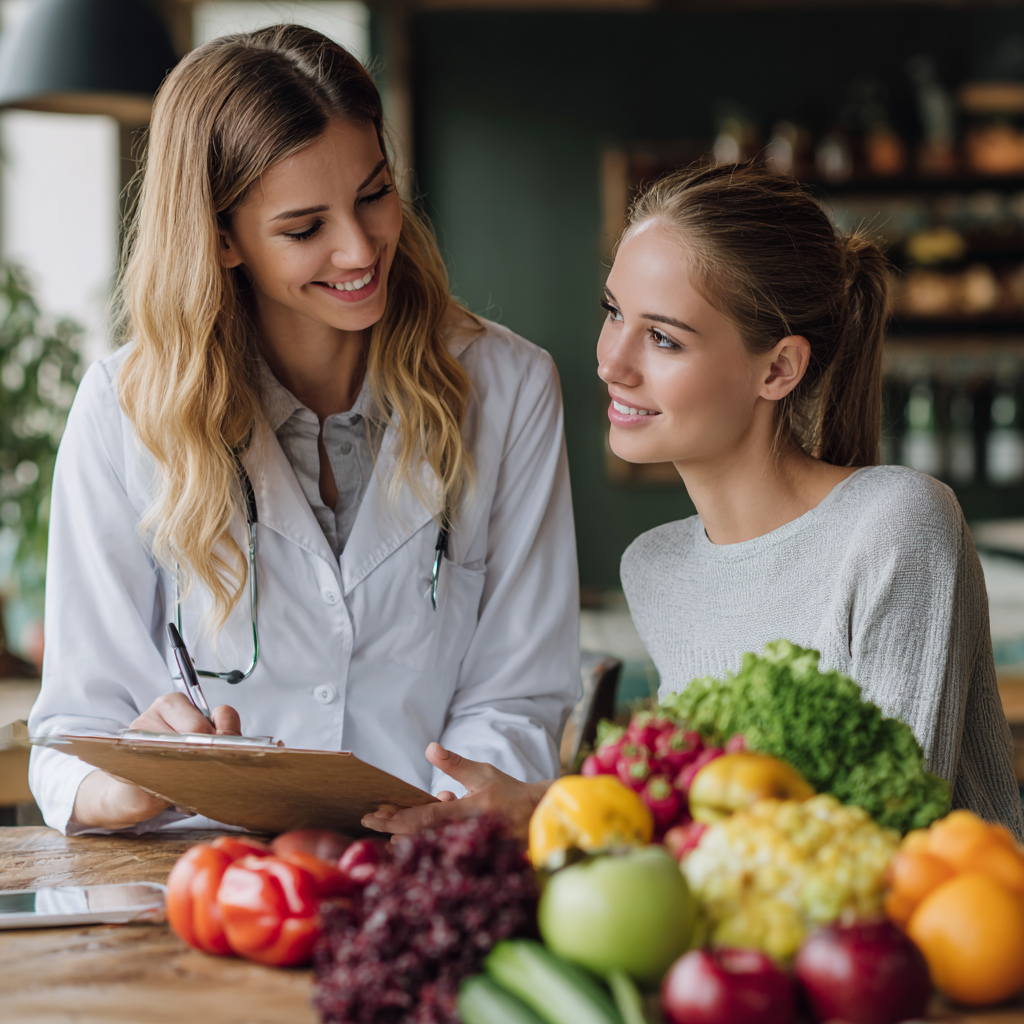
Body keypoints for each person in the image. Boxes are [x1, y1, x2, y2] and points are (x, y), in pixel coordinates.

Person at [28, 25, 579, 834]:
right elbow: (73, 733)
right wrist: (132, 782)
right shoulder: (124, 408)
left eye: (374, 195)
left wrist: (448, 820)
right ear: (221, 238)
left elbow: (518, 696)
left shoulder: (509, 387)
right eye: (304, 228)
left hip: (423, 865)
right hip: (205, 874)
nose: (359, 249)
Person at [365, 163, 1023, 839]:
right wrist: (547, 806)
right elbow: (707, 816)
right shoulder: (656, 567)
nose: (611, 362)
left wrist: (556, 805)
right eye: (614, 312)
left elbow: (881, 834)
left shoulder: (897, 524)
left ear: (778, 369)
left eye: (663, 338)